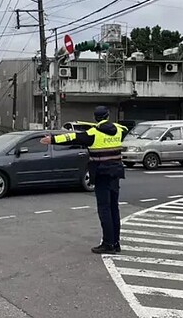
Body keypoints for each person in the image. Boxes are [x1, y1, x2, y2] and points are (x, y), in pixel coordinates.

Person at [41, 106, 127, 255]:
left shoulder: (92, 134)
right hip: (116, 173)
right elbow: (123, 127)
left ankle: (108, 243)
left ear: (95, 118)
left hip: (101, 174)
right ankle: (116, 242)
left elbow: (72, 137)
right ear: (107, 116)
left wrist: (52, 139)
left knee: (104, 209)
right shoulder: (119, 130)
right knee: (114, 208)